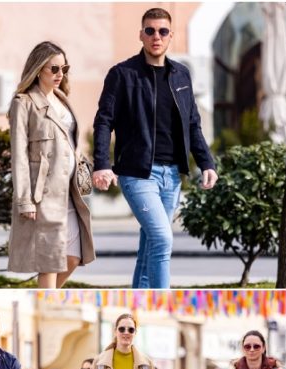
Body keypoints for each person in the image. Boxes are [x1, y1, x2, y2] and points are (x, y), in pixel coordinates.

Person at [92, 7, 217, 288]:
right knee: (162, 239)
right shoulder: (122, 74)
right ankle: (162, 301)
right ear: (141, 34)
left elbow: (193, 123)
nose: (156, 37)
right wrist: (102, 163)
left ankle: (138, 300)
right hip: (137, 173)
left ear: (171, 36)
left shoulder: (181, 75)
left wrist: (207, 162)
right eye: (150, 31)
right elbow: (103, 121)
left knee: (148, 248)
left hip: (172, 175)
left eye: (162, 31)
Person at [7, 41, 96, 288]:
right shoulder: (23, 103)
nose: (60, 74)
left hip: (69, 192)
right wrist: (25, 200)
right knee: (50, 263)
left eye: (64, 69)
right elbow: (19, 156)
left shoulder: (62, 99)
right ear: (38, 69)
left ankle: (46, 295)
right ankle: (46, 300)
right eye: (53, 69)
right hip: (42, 196)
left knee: (74, 257)